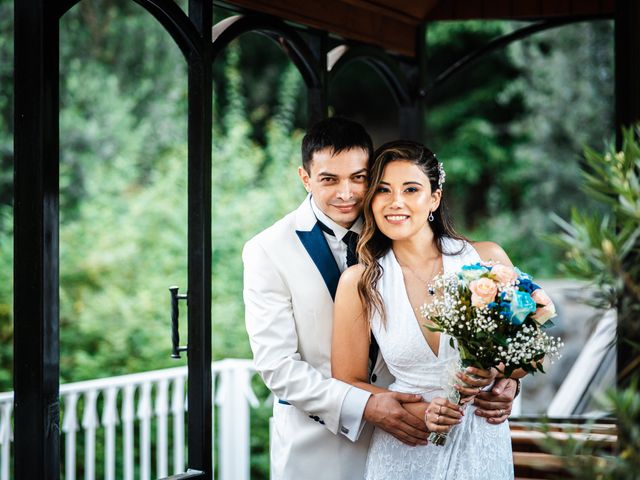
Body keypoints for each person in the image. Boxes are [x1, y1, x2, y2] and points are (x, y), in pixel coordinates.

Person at [244, 119, 517, 480]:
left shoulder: (408, 231)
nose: (347, 193)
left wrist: (508, 379)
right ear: (305, 178)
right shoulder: (269, 250)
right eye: (329, 179)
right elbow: (278, 366)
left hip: (435, 436)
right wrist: (369, 405)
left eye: (359, 178)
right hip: (324, 446)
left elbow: (508, 340)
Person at [332, 140, 520, 479]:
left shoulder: (487, 260)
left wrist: (506, 379)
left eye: (411, 189)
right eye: (383, 190)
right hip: (406, 449)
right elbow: (348, 379)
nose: (396, 202)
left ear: (434, 197)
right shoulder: (360, 282)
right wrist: (420, 411)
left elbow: (527, 350)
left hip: (483, 445)